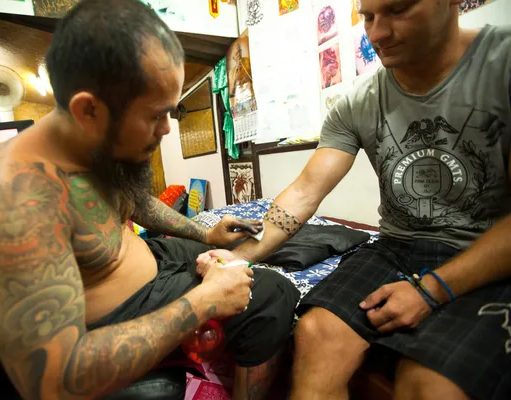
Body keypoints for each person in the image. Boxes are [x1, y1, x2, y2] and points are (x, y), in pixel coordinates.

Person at [0, 1, 300, 399]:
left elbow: (137, 202)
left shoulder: (94, 148)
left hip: (144, 259)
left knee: (239, 248)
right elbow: (52, 379)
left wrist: (206, 235)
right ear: (89, 109)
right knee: (270, 292)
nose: (166, 129)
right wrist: (204, 302)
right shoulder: (17, 197)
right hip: (114, 312)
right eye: (156, 115)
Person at [197, 1, 511, 399]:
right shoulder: (358, 101)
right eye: (368, 17)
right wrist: (239, 258)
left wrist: (432, 290)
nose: (377, 34)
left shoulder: (502, 65)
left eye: (397, 10)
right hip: (396, 248)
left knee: (429, 384)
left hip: (484, 255)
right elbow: (305, 191)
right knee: (314, 333)